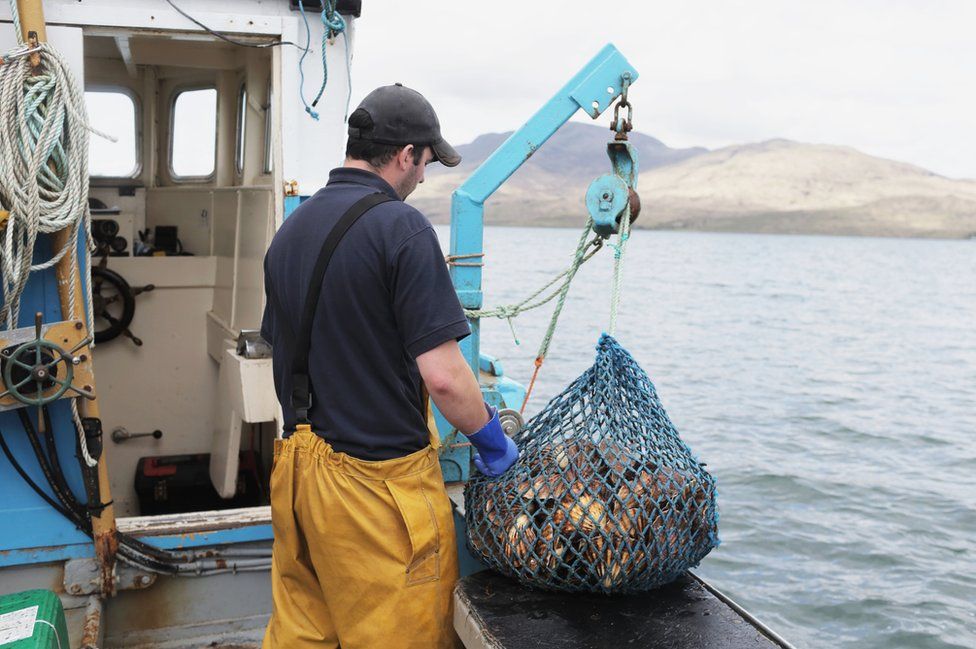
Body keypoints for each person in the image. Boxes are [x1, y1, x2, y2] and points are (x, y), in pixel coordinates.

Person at [260, 84, 519, 649]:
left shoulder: (290, 232)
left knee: (305, 632)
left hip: (299, 475)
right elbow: (446, 378)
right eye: (425, 162)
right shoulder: (401, 229)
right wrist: (493, 443)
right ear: (405, 156)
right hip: (377, 494)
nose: (424, 176)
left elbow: (282, 346)